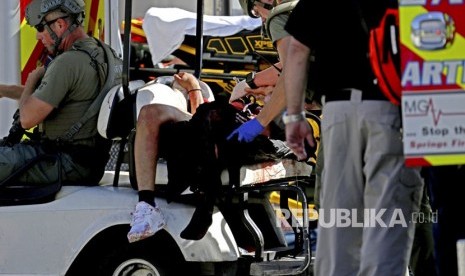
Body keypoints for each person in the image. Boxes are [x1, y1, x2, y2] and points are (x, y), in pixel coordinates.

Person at [283, 1, 424, 275]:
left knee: (338, 220)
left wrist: (295, 116)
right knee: (388, 221)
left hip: (337, 110)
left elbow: (297, 49)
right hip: (395, 110)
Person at [0, 0, 121, 185]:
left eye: (40, 28)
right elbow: (48, 95)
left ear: (59, 24)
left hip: (65, 162)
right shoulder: (104, 54)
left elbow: (27, 118)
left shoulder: (67, 62)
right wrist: (4, 90)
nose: (38, 36)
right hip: (87, 163)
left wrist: (33, 78)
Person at [127, 72, 206, 243]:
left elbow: (205, 119)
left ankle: (147, 203)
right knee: (149, 114)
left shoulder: (260, 83)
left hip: (238, 126)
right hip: (227, 121)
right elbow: (203, 119)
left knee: (150, 113)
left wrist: (194, 87)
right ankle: (146, 203)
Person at [228, 0, 317, 150]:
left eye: (256, 12)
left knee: (327, 172)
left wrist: (259, 122)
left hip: (347, 109)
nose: (262, 20)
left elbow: (292, 71)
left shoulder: (279, 17)